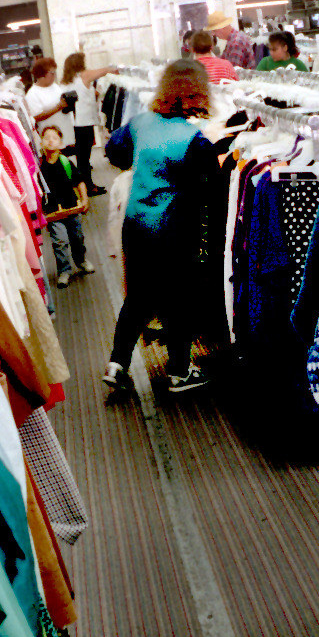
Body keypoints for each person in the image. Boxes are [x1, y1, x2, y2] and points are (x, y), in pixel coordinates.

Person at [103, 60, 219, 394]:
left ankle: (116, 364)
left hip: (136, 224)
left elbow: (115, 152)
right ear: (198, 93)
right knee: (177, 298)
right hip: (174, 231)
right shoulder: (195, 140)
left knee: (137, 298)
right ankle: (180, 372)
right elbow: (208, 188)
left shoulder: (140, 123)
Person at [37, 126, 94, 287]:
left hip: (72, 209)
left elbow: (80, 181)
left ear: (61, 143)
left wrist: (84, 200)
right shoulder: (39, 167)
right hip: (54, 213)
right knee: (60, 242)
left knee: (77, 238)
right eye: (46, 137)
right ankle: (64, 270)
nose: (50, 140)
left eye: (54, 138)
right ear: (41, 142)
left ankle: (81, 261)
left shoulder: (66, 163)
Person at [61, 53, 119, 196]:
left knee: (83, 157)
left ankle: (87, 185)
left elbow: (83, 98)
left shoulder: (69, 80)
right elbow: (103, 71)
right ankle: (88, 187)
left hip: (77, 122)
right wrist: (113, 68)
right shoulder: (83, 76)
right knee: (84, 158)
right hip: (84, 123)